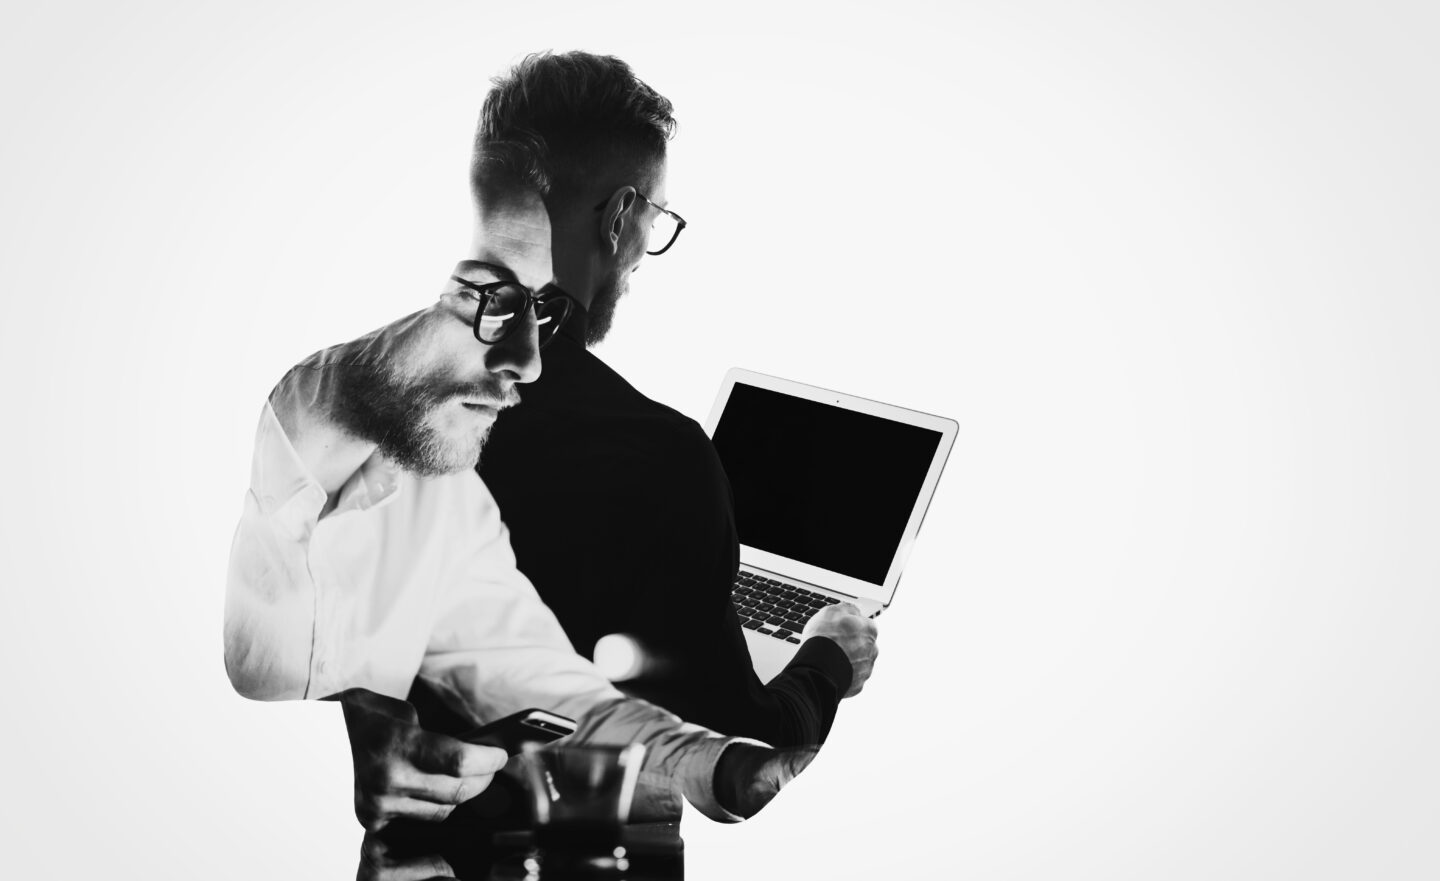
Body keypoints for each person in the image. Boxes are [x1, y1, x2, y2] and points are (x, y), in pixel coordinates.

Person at [224, 148, 814, 831]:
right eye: (494, 299)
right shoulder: (311, 413)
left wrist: (703, 763)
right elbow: (259, 656)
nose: (530, 364)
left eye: (544, 309)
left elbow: (518, 660)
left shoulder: (453, 483)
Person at [473, 52, 878, 748]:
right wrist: (830, 655)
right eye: (654, 215)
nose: (639, 254)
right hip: (590, 850)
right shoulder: (658, 458)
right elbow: (746, 763)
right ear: (621, 215)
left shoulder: (341, 394)